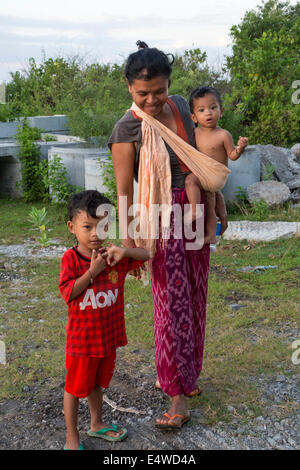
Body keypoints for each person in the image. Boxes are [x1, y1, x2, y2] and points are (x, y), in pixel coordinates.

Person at [108, 42, 228, 430]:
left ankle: (189, 377)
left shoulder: (179, 105)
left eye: (158, 91)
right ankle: (176, 394)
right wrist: (130, 241)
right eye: (143, 93)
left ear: (169, 86)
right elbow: (125, 191)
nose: (152, 100)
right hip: (158, 217)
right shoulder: (126, 128)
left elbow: (199, 151)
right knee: (170, 304)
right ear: (129, 87)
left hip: (192, 208)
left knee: (194, 295)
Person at [59, 190, 149, 449]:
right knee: (75, 387)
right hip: (82, 342)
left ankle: (96, 424)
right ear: (72, 227)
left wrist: (125, 251)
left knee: (98, 384)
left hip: (106, 339)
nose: (95, 234)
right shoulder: (71, 259)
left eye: (102, 226)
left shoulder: (113, 256)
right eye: (87, 227)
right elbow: (68, 292)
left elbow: (147, 255)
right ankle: (71, 436)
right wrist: (91, 272)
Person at [185, 86, 248, 243]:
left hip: (215, 175)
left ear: (222, 111)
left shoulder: (223, 135)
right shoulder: (194, 133)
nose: (208, 113)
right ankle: (212, 235)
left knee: (190, 181)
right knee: (211, 204)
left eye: (213, 107)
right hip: (206, 176)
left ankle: (194, 211)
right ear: (193, 117)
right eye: (202, 110)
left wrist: (240, 148)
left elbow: (232, 156)